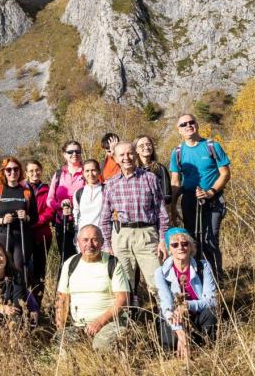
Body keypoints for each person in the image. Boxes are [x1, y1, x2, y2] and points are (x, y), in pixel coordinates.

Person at [99, 142, 170, 304]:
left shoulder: (150, 178)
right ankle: (128, 323)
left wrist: (162, 240)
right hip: (121, 236)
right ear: (115, 158)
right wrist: (107, 245)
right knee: (123, 284)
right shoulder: (110, 184)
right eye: (122, 155)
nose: (126, 158)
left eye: (130, 153)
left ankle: (169, 323)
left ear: (135, 155)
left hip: (147, 234)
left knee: (157, 281)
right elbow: (104, 218)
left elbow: (162, 213)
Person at [168, 114, 231, 281]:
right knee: (192, 241)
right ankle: (197, 279)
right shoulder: (177, 152)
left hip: (213, 201)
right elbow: (175, 180)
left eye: (191, 122)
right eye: (183, 124)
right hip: (189, 201)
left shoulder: (212, 146)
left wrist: (211, 191)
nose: (188, 126)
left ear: (197, 124)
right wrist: (173, 207)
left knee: (210, 240)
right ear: (179, 130)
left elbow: (225, 173)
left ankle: (217, 280)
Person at [54, 225, 130, 353]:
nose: (90, 244)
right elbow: (62, 299)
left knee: (102, 345)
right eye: (85, 240)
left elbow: (123, 299)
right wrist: (60, 330)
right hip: (80, 325)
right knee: (62, 343)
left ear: (102, 242)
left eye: (94, 240)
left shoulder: (112, 263)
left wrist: (100, 322)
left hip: (110, 323)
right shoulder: (69, 264)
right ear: (77, 242)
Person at [155, 228, 218, 359]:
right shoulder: (160, 273)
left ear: (191, 246)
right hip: (176, 318)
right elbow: (166, 304)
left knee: (211, 313)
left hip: (198, 316)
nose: (181, 248)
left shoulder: (203, 266)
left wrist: (187, 305)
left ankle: (205, 347)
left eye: (185, 243)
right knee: (170, 343)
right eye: (175, 245)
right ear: (169, 249)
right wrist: (180, 331)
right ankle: (183, 342)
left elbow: (212, 300)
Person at [0, 157, 38, 290]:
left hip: (21, 237)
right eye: (8, 169)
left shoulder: (27, 191)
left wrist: (26, 217)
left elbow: (35, 217)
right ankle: (0, 301)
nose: (12, 172)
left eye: (16, 169)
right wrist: (2, 220)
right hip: (1, 236)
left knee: (19, 270)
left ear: (20, 171)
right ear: (3, 172)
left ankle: (19, 304)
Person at [23, 160, 54, 309]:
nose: (35, 174)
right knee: (23, 271)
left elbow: (50, 211)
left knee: (39, 272)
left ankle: (37, 307)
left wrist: (33, 222)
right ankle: (24, 303)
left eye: (37, 170)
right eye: (31, 171)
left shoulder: (47, 189)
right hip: (24, 235)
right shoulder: (21, 189)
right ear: (26, 173)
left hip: (41, 235)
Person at [49, 141, 86, 261]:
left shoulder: (87, 172)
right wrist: (60, 206)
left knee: (84, 258)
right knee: (66, 259)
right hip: (62, 222)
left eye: (77, 151)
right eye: (70, 152)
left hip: (82, 223)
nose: (74, 154)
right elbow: (49, 200)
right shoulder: (59, 174)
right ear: (64, 154)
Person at [135, 135, 176, 222]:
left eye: (149, 144)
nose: (146, 147)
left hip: (156, 216)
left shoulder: (160, 169)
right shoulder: (133, 170)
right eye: (141, 146)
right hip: (136, 216)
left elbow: (167, 196)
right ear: (136, 150)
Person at [72, 159, 105, 238]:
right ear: (83, 173)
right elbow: (76, 215)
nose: (90, 174)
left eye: (93, 170)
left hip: (102, 236)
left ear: (99, 171)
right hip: (84, 236)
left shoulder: (106, 190)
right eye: (87, 171)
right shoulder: (78, 193)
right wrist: (77, 236)